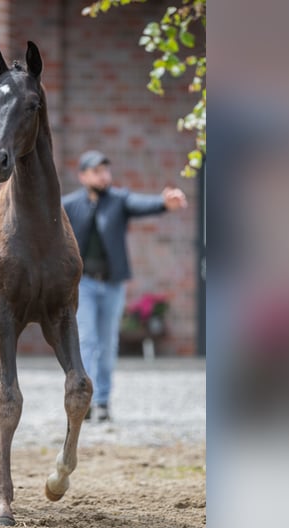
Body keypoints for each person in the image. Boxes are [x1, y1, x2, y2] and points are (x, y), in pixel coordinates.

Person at [62, 150, 188, 422]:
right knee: (87, 341)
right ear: (83, 176)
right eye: (96, 171)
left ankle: (104, 402)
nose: (104, 176)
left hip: (112, 285)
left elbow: (142, 203)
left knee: (107, 344)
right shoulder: (70, 205)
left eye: (106, 170)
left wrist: (165, 203)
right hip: (83, 284)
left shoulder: (119, 201)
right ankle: (85, 400)